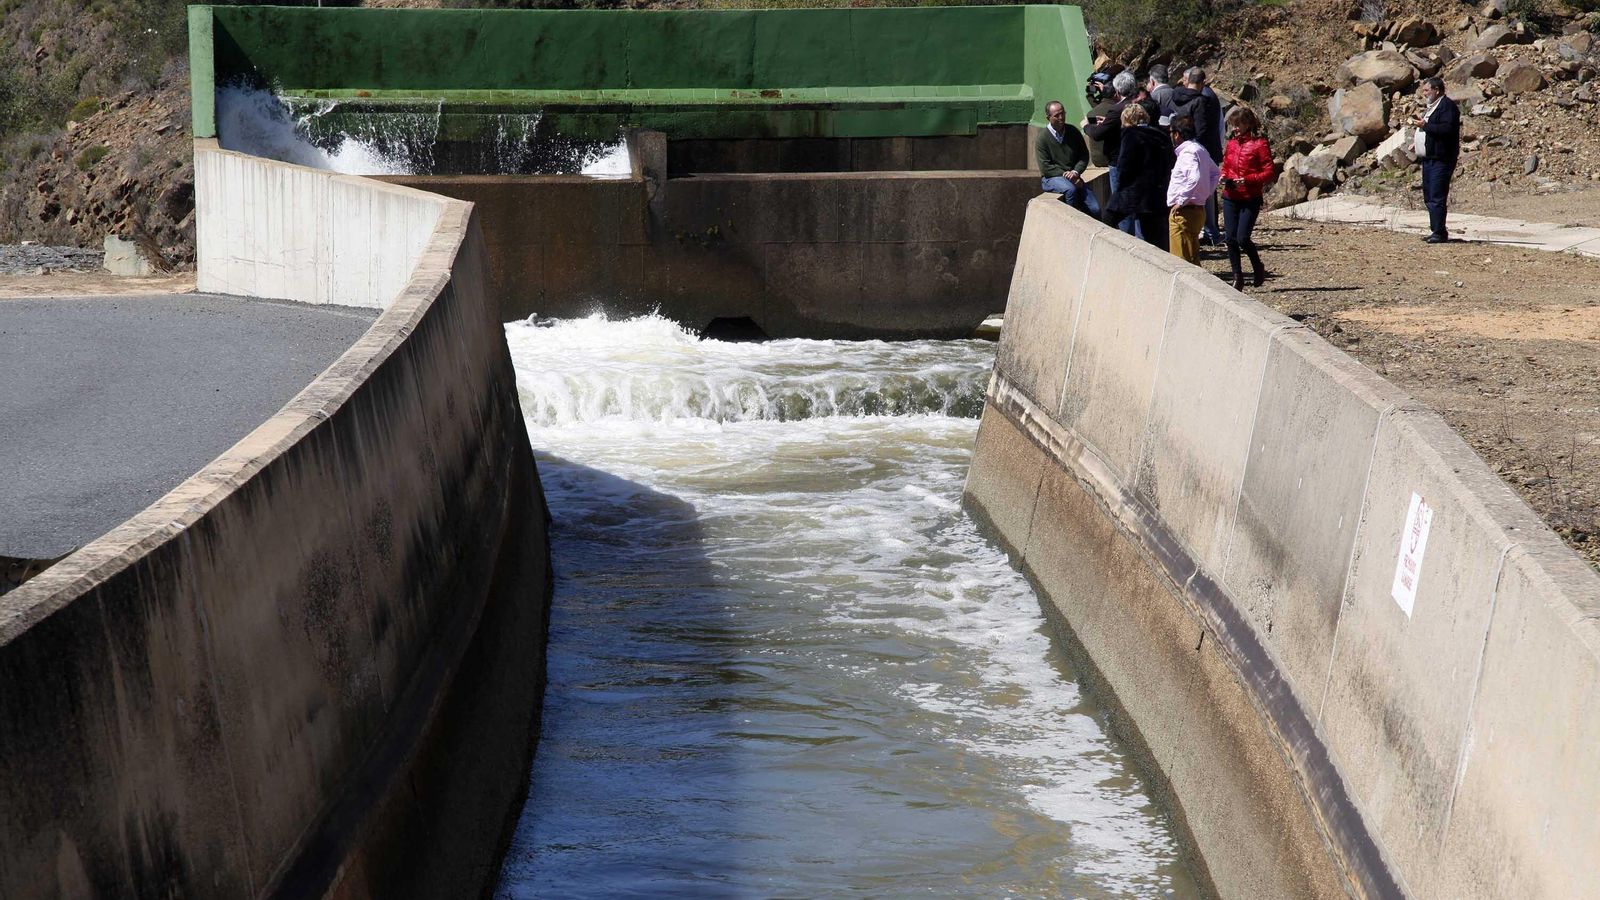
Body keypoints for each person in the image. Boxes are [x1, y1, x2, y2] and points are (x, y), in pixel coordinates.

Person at [1218, 106, 1276, 289]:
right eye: (1233, 125)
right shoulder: (1232, 144)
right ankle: (1238, 276)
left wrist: (1248, 180)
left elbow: (1269, 172)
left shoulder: (1260, 144)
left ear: (1247, 124)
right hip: (1230, 195)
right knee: (1230, 238)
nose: (1235, 129)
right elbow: (1227, 166)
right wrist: (1224, 175)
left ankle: (1257, 266)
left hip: (1250, 197)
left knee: (1242, 237)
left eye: (1238, 125)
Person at [1104, 103, 1174, 250]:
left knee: (1107, 219)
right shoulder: (1161, 135)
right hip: (1158, 194)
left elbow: (1124, 165)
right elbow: (1171, 161)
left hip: (1135, 192)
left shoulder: (1130, 135)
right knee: (1156, 239)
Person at [1086, 71, 1140, 234]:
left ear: (1117, 91)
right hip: (1136, 161)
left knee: (1121, 202)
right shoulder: (1136, 106)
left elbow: (1097, 134)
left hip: (1118, 161)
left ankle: (1126, 237)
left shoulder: (1117, 110)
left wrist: (1086, 126)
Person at [1412, 76, 1460, 244]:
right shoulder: (1432, 108)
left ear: (1436, 90)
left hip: (1442, 159)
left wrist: (1425, 126)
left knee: (1437, 195)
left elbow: (1447, 129)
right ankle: (1436, 229)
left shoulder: (1447, 107)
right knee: (1429, 195)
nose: (1424, 93)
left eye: (1427, 90)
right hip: (1429, 158)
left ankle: (1439, 232)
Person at [1166, 116, 1219, 265]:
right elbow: (1215, 173)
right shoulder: (1199, 149)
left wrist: (1182, 200)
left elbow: (1194, 178)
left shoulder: (1188, 153)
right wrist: (1206, 192)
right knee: (1192, 257)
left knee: (1180, 261)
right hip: (1196, 209)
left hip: (1184, 212)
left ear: (1177, 134)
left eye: (1171, 131)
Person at [1035, 99, 1099, 216]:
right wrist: (1068, 176)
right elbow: (1045, 167)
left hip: (1073, 176)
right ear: (1048, 118)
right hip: (1052, 178)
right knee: (1070, 190)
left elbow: (1083, 155)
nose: (1061, 118)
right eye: (1057, 115)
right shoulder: (1042, 138)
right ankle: (1071, 219)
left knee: (1095, 209)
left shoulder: (1073, 131)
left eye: (1063, 113)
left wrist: (1075, 172)